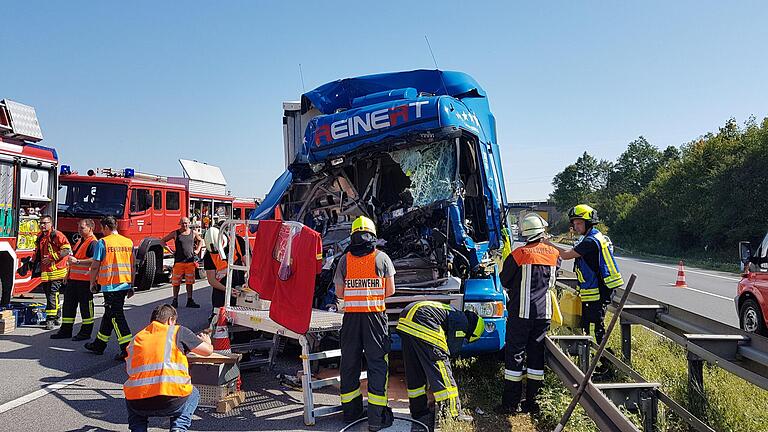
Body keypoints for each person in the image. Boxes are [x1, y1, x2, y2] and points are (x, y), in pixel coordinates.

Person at [333, 216, 396, 431]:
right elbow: (390, 291)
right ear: (373, 235)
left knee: (349, 363)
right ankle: (376, 419)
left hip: (351, 319)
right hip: (375, 318)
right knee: (377, 365)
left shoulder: (344, 260)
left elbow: (340, 293)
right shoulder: (383, 258)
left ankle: (350, 414)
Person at [496, 213, 560, 415]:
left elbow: (504, 280)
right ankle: (533, 402)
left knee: (515, 354)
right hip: (544, 313)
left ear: (525, 233)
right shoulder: (553, 253)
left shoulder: (519, 254)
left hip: (521, 312)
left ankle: (510, 404)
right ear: (542, 232)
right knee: (536, 356)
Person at [124, 304, 213, 432]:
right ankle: (178, 428)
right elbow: (207, 351)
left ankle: (138, 430)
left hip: (139, 403)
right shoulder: (177, 331)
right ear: (171, 320)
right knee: (193, 393)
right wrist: (207, 342)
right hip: (171, 401)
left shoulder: (136, 339)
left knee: (131, 393)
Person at [543, 204, 623, 344]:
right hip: (595, 287)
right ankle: (592, 352)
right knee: (589, 322)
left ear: (588, 222)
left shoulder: (591, 241)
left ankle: (597, 356)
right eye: (574, 223)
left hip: (599, 288)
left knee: (594, 325)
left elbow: (567, 255)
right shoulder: (590, 237)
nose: (576, 227)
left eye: (579, 223)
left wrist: (548, 245)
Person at [396, 301, 482, 427]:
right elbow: (451, 350)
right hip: (422, 319)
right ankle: (453, 413)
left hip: (406, 319)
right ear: (472, 331)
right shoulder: (462, 321)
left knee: (414, 369)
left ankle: (418, 410)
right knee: (441, 367)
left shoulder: (454, 312)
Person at [84, 216, 135, 361]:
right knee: (109, 314)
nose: (101, 231)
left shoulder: (103, 243)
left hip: (110, 286)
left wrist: (92, 283)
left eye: (102, 228)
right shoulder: (128, 242)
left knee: (116, 317)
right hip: (124, 284)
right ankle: (99, 344)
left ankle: (127, 349)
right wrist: (131, 285)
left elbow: (95, 266)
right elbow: (132, 266)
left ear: (106, 227)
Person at [51, 219, 97, 340]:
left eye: (82, 228)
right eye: (79, 228)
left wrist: (78, 262)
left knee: (85, 308)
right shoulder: (81, 240)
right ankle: (65, 330)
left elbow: (95, 260)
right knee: (68, 306)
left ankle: (85, 333)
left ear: (90, 229)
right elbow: (73, 259)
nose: (79, 230)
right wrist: (67, 275)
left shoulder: (93, 242)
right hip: (73, 279)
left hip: (85, 280)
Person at [35, 215, 72, 330]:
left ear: (50, 223)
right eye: (41, 223)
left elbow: (67, 250)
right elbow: (38, 252)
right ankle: (56, 317)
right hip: (46, 271)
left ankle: (50, 319)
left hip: (58, 270)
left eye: (45, 223)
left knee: (52, 293)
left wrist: (52, 258)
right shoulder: (41, 236)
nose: (42, 225)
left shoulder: (57, 235)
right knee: (50, 294)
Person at [202, 226, 246, 318]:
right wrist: (228, 290)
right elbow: (211, 280)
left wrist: (249, 282)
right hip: (221, 291)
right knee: (220, 319)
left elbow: (249, 264)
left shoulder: (238, 241)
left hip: (241, 287)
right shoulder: (209, 256)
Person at [160, 217, 203, 309]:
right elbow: (162, 241)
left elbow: (200, 240)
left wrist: (198, 250)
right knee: (176, 283)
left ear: (189, 223)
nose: (185, 225)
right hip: (179, 262)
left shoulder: (193, 233)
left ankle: (190, 300)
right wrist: (170, 251)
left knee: (189, 282)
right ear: (180, 224)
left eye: (186, 223)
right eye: (183, 223)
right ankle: (175, 300)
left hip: (190, 262)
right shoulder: (175, 233)